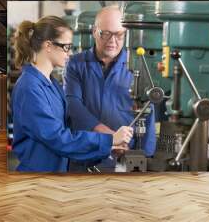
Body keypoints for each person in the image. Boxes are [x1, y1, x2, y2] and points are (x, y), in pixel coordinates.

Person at [11, 16, 133, 172]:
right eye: (66, 47)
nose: (69, 53)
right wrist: (109, 140)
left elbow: (69, 133)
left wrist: (108, 148)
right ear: (48, 46)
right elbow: (58, 139)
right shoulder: (29, 88)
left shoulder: (52, 84)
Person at [64, 6, 156, 172]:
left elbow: (148, 110)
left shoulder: (138, 66)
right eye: (105, 34)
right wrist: (110, 137)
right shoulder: (76, 64)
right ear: (94, 31)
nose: (112, 41)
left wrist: (147, 156)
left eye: (119, 34)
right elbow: (73, 105)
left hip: (124, 157)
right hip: (84, 155)